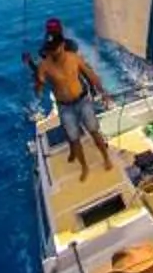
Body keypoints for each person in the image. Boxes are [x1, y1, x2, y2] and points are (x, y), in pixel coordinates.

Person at [32, 34, 111, 174]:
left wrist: (103, 93)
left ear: (62, 46)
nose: (51, 52)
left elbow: (91, 75)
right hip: (64, 106)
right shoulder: (44, 65)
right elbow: (39, 86)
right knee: (74, 139)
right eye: (49, 49)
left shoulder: (74, 58)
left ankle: (106, 158)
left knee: (94, 132)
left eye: (54, 48)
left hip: (82, 101)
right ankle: (84, 167)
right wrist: (38, 83)